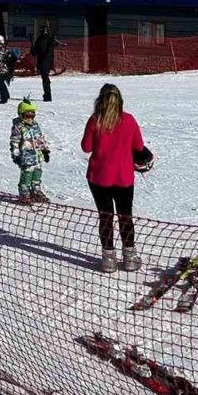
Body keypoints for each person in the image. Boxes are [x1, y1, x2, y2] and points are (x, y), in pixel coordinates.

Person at [81, 83, 148, 273]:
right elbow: (139, 146)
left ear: (100, 101)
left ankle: (108, 260)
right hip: (123, 177)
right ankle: (130, 257)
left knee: (105, 217)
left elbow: (86, 147)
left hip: (98, 177)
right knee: (125, 216)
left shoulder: (95, 120)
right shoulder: (129, 120)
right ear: (120, 101)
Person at [10, 96, 51, 204]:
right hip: (26, 157)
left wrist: (45, 150)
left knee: (37, 173)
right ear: (21, 115)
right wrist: (16, 155)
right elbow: (14, 142)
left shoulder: (35, 125)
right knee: (27, 175)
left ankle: (35, 191)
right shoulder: (18, 127)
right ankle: (24, 194)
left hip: (37, 155)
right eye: (27, 116)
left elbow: (40, 138)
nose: (30, 118)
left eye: (32, 115)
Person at [30, 25, 57, 102]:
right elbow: (54, 45)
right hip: (48, 61)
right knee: (45, 78)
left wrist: (32, 42)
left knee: (45, 79)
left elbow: (33, 52)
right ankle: (47, 95)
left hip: (43, 61)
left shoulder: (40, 39)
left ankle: (47, 96)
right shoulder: (50, 39)